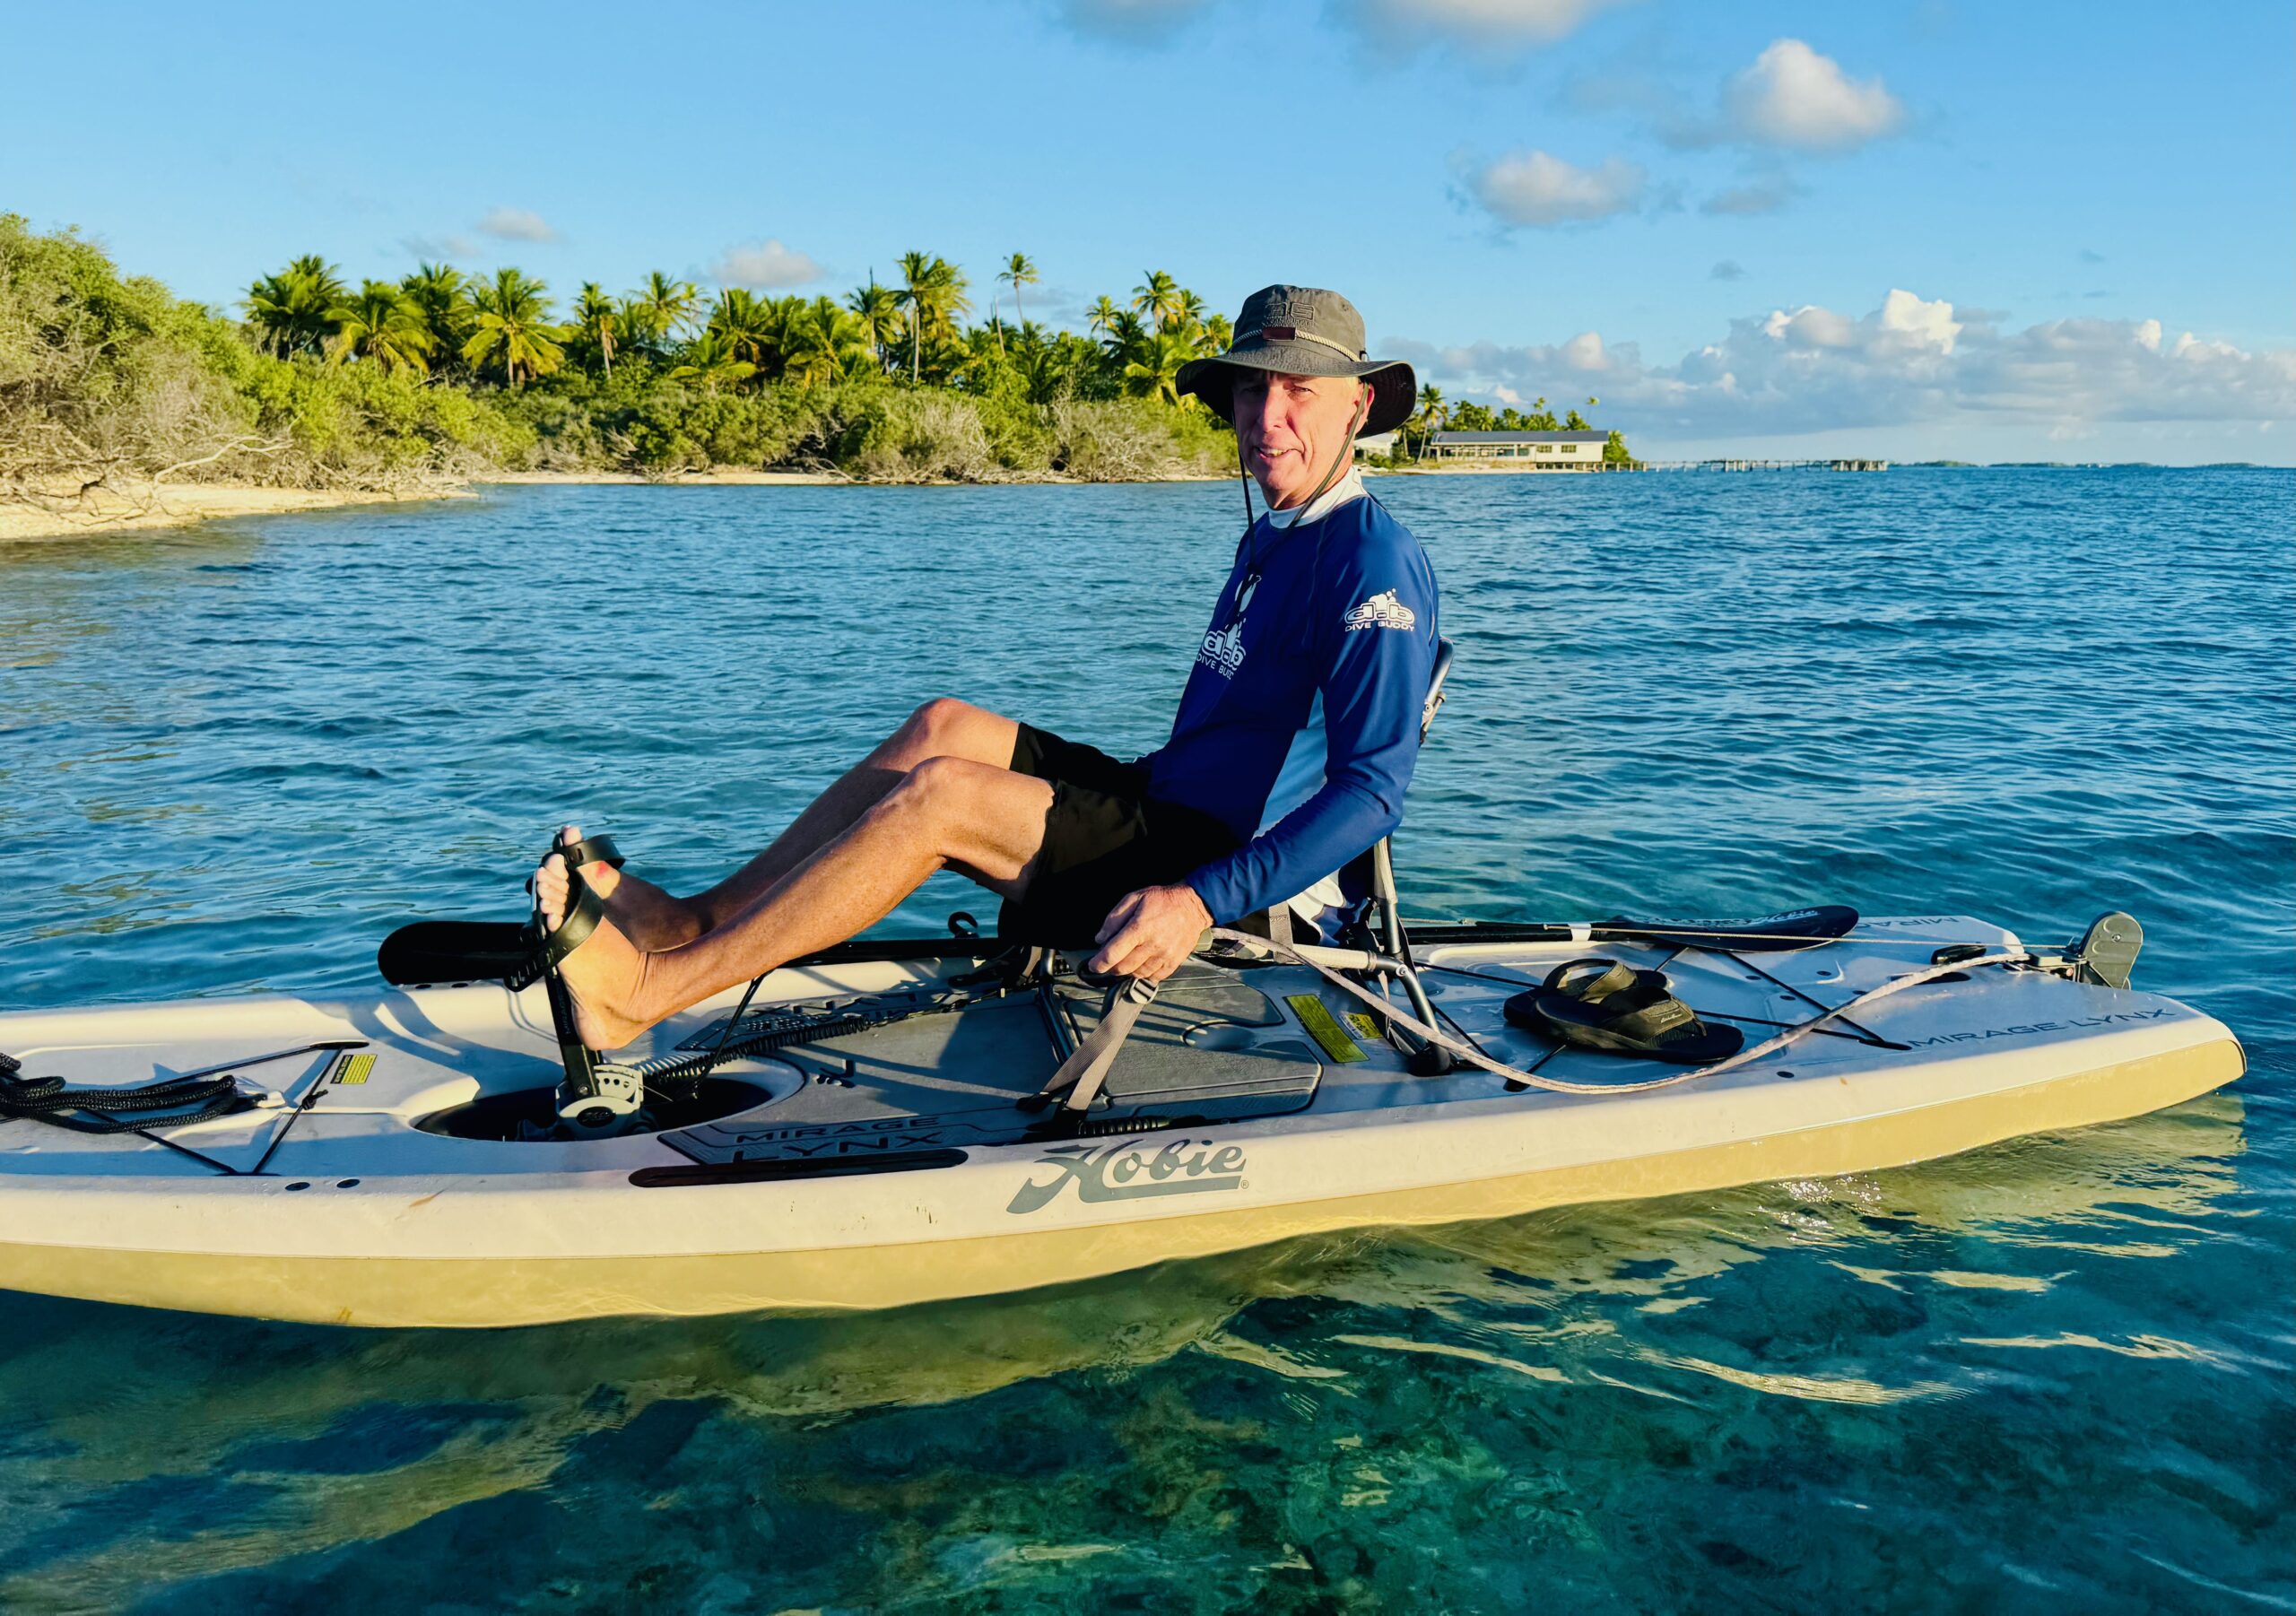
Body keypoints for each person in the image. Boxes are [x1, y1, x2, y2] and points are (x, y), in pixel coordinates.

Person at [533, 284, 1440, 1051]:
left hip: (1214, 868)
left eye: (1298, 394)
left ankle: (648, 992)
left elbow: (1371, 792)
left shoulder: (1370, 562)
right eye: (1250, 394)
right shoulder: (1272, 533)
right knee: (944, 727)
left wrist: (1198, 905)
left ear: (1356, 407)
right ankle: (696, 922)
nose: (1266, 418)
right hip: (1164, 803)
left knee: (943, 797)